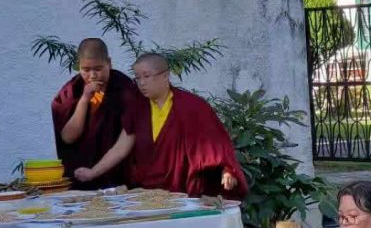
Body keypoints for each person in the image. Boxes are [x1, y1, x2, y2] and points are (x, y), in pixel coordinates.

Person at [74, 53, 247, 198]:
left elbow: (216, 146)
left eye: (146, 76)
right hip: (146, 194)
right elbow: (121, 147)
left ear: (165, 75)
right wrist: (93, 172)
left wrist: (227, 170)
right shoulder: (137, 107)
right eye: (137, 77)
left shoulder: (193, 107)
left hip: (183, 194)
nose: (141, 83)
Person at [51, 38, 139, 190]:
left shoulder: (125, 89)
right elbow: (67, 137)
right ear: (79, 66)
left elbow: (129, 137)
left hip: (118, 175)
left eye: (98, 69)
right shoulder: (72, 91)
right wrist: (85, 99)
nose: (92, 75)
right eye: (86, 70)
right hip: (80, 174)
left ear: (109, 63)